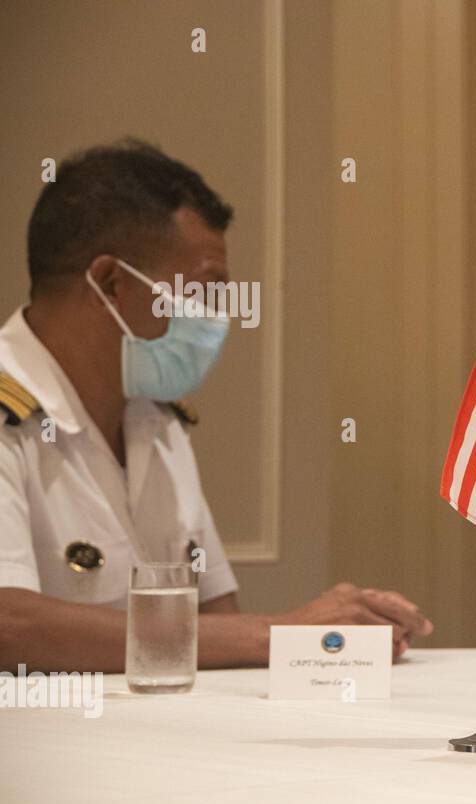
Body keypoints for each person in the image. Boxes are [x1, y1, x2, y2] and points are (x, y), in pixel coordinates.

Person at [0, 140, 432, 673]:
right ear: (111, 282)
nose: (215, 316)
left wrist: (332, 640)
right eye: (202, 290)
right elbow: (10, 626)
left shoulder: (159, 422)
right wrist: (285, 632)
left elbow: (217, 622)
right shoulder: (9, 418)